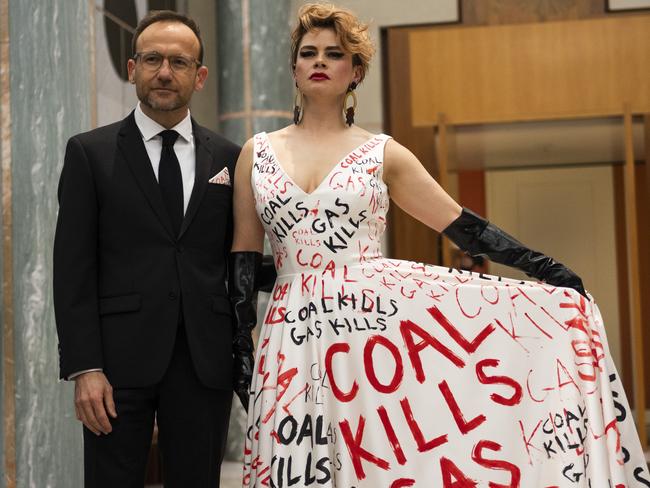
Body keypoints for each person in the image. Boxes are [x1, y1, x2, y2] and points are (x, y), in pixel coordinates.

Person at [230, 4, 648, 487]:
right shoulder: (255, 154)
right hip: (291, 329)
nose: (319, 61)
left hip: (369, 334)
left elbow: (462, 226)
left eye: (335, 53)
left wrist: (542, 267)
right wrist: (242, 351)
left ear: (356, 71)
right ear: (294, 68)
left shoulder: (382, 153)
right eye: (308, 53)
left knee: (373, 457)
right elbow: (242, 261)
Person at [53, 10, 240, 487]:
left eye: (179, 62)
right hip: (115, 366)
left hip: (203, 360)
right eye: (152, 58)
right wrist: (84, 368)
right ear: (133, 68)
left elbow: (239, 256)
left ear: (198, 77)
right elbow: (73, 270)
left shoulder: (230, 157)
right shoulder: (89, 153)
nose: (164, 72)